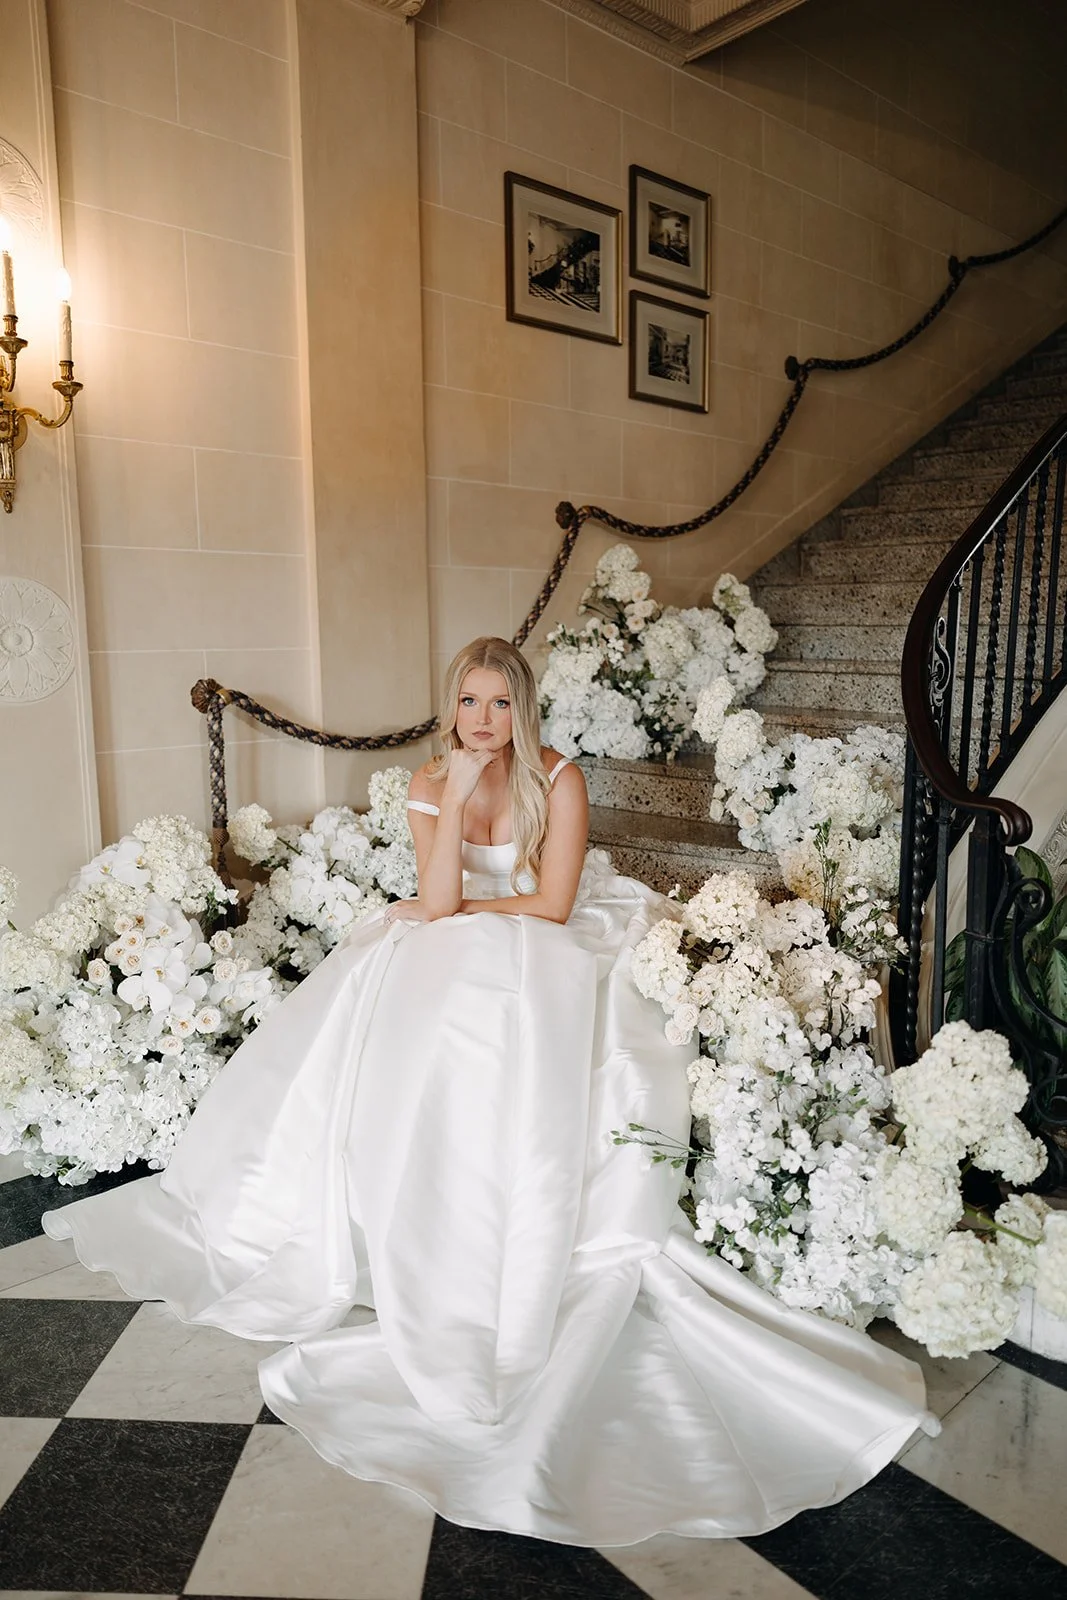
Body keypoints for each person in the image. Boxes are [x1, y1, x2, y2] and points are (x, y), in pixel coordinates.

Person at [43, 637, 934, 1547]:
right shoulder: (432, 782)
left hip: (548, 935)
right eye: (469, 701)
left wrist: (469, 911)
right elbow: (431, 906)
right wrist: (458, 799)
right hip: (456, 930)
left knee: (498, 984)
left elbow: (549, 908)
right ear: (452, 704)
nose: (482, 720)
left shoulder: (561, 777)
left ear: (522, 708)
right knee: (422, 996)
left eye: (499, 704)